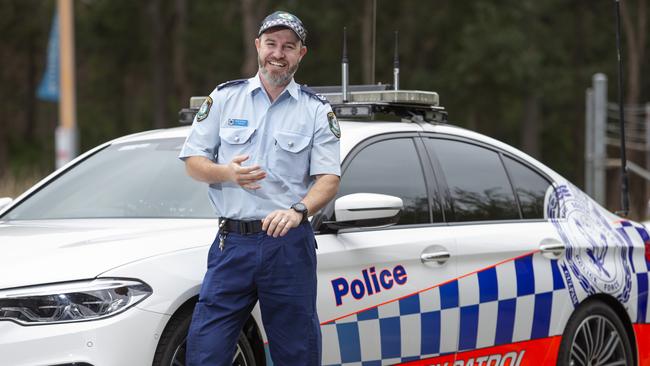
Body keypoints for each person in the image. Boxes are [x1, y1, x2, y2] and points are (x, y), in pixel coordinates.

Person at [178, 10, 341, 366]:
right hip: (232, 244)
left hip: (288, 245)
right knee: (206, 349)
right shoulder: (224, 99)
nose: (278, 53)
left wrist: (299, 211)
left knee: (296, 352)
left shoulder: (316, 110)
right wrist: (227, 174)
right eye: (271, 44)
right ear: (258, 46)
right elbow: (193, 161)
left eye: (288, 46)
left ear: (301, 54)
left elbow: (329, 178)